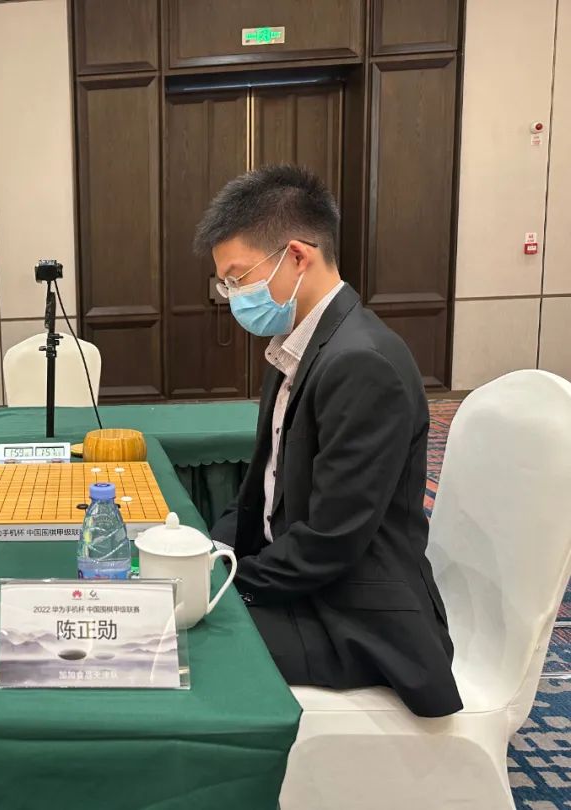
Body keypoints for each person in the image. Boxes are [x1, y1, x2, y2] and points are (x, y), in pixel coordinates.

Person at [195, 165, 461, 718]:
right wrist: (207, 556)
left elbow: (331, 541)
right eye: (225, 285)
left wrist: (228, 586)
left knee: (191, 643)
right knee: (180, 616)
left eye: (238, 278)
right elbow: (259, 495)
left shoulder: (363, 363)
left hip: (355, 616)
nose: (231, 297)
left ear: (296, 256)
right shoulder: (296, 344)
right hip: (308, 585)